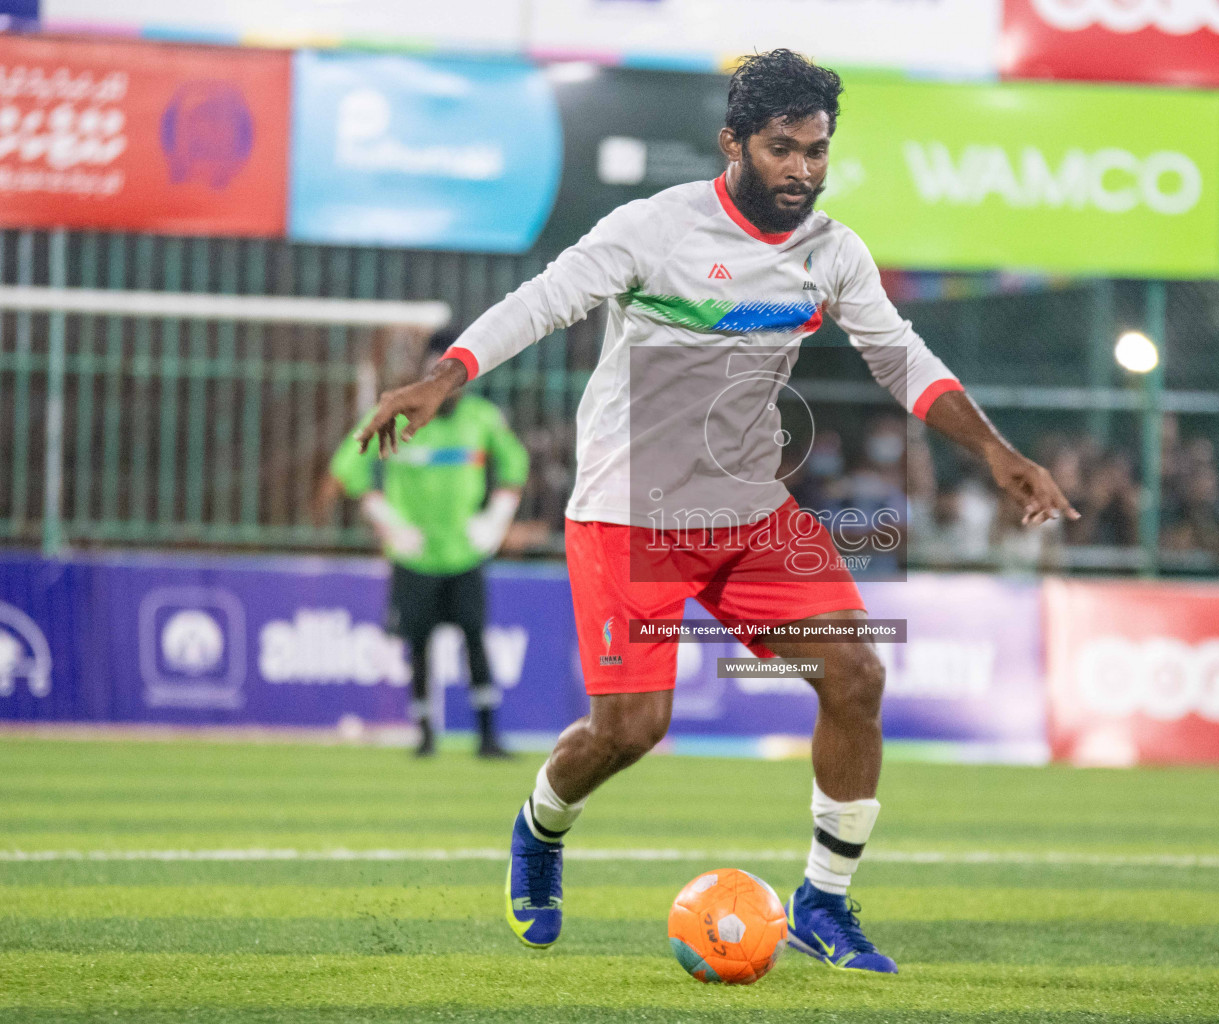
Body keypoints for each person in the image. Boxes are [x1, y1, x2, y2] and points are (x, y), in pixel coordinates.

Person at [355, 50, 1075, 974]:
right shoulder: (653, 229)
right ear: (733, 143)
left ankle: (823, 900)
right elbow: (539, 305)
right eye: (784, 149)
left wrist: (997, 452)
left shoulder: (832, 251)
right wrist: (443, 379)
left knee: (855, 675)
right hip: (629, 514)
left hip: (748, 512)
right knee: (631, 733)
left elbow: (901, 357)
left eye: (818, 151)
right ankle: (540, 826)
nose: (804, 171)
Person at [331, 330, 529, 758]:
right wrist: (386, 520)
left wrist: (496, 518)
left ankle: (488, 736)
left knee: (475, 639)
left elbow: (516, 461)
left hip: (464, 552)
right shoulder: (399, 416)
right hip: (413, 554)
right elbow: (349, 465)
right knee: (416, 644)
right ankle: (424, 734)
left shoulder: (482, 419)